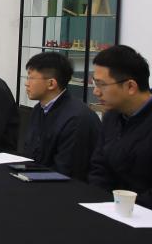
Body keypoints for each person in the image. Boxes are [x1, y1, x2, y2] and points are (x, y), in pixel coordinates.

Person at [89, 45, 152, 220]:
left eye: (101, 85)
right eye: (95, 83)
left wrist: (117, 210)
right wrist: (101, 204)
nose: (95, 91)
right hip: (111, 212)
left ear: (131, 86)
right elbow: (99, 169)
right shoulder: (112, 116)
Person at [21, 52, 100, 180]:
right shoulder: (39, 109)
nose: (26, 83)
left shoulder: (77, 119)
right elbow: (30, 151)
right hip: (36, 178)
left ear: (51, 84)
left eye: (31, 78)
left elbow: (67, 171)